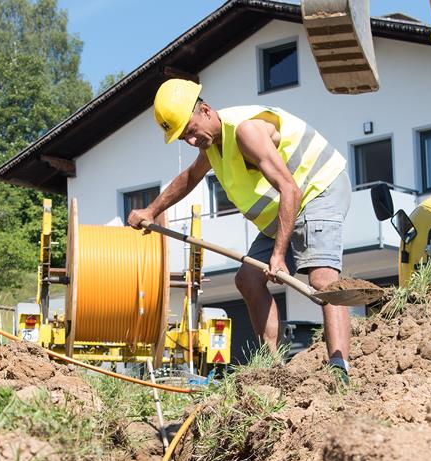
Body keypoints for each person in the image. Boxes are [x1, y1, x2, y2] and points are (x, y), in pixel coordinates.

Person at [128, 79, 353, 381]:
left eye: (191, 132)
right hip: (284, 209)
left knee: (322, 279)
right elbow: (189, 177)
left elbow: (291, 189)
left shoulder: (246, 131)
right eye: (184, 138)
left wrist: (277, 255)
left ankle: (340, 369)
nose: (192, 142)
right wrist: (150, 210)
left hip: (318, 190)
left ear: (205, 110)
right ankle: (272, 369)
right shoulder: (213, 144)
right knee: (248, 279)